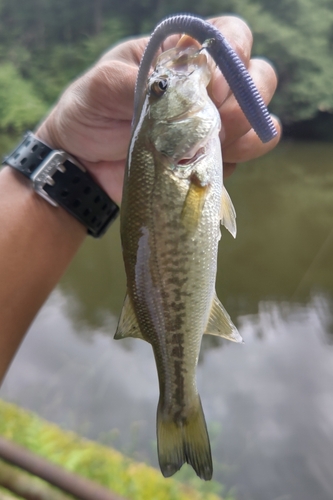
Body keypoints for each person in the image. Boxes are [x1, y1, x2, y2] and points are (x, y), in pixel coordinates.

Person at [0, 15, 281, 383]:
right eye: (161, 87)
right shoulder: (170, 155)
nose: (168, 84)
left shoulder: (172, 158)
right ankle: (180, 403)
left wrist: (69, 154)